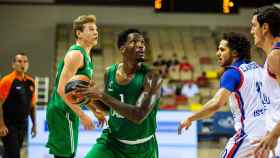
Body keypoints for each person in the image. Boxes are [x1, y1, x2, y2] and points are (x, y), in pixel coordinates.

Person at [177, 32, 268, 158]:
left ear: (234, 53)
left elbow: (216, 104)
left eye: (222, 50)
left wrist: (190, 118)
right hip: (269, 132)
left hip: (249, 134)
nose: (217, 53)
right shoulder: (259, 68)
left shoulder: (232, 73)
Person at [77, 29, 162, 158]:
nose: (141, 45)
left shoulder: (152, 76)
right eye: (134, 42)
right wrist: (90, 96)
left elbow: (138, 115)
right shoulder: (110, 72)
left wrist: (101, 95)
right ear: (122, 49)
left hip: (143, 148)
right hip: (112, 143)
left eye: (142, 42)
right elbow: (108, 108)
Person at [46, 14, 100, 158]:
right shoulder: (76, 55)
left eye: (96, 29)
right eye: (91, 29)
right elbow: (61, 90)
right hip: (61, 111)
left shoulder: (86, 56)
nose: (96, 32)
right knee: (65, 155)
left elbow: (79, 92)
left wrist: (94, 110)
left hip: (68, 110)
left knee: (68, 154)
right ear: (79, 33)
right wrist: (83, 115)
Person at [250, 6, 280, 158]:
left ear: (265, 27)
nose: (251, 31)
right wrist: (269, 134)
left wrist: (273, 135)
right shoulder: (273, 56)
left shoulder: (276, 57)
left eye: (254, 26)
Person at [0, 53, 37, 158]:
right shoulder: (7, 81)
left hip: (22, 125)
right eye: (19, 61)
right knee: (14, 155)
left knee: (11, 154)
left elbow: (32, 106)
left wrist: (34, 125)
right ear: (13, 64)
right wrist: (1, 124)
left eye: (25, 61)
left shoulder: (31, 82)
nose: (23, 64)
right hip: (8, 125)